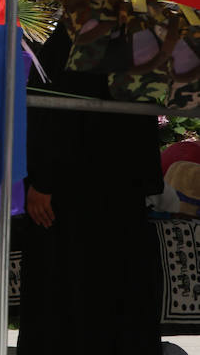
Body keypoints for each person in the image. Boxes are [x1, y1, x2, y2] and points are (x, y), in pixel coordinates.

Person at [17, 23, 163, 355]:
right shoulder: (129, 31)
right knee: (117, 295)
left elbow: (63, 117)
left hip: (73, 197)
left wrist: (44, 181)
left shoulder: (82, 35)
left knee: (72, 297)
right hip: (118, 191)